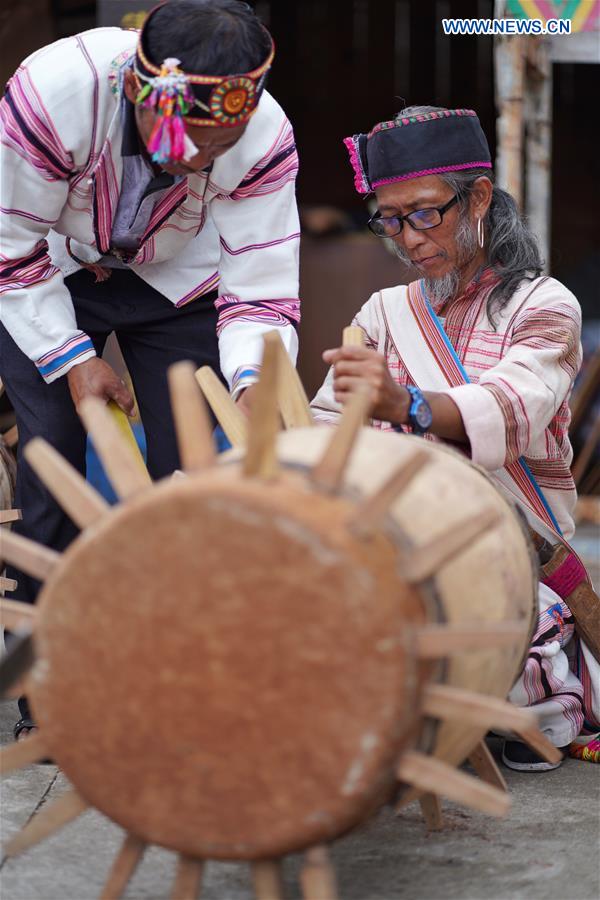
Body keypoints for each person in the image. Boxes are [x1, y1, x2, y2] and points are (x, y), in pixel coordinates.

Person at [0, 0, 300, 739]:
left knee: (198, 478)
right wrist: (70, 360)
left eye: (221, 141)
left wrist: (255, 385)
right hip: (49, 271)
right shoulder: (53, 92)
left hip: (181, 283)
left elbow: (259, 289)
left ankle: (178, 674)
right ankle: (45, 687)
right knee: (53, 476)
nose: (203, 159)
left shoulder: (262, 135)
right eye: (192, 136)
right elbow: (8, 247)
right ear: (145, 95)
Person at [312, 105, 599, 771]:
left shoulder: (545, 305)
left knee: (503, 662)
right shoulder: (383, 313)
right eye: (389, 219)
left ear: (476, 198)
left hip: (513, 545)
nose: (408, 237)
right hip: (396, 540)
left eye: (423, 212)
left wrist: (407, 405)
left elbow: (515, 408)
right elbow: (328, 423)